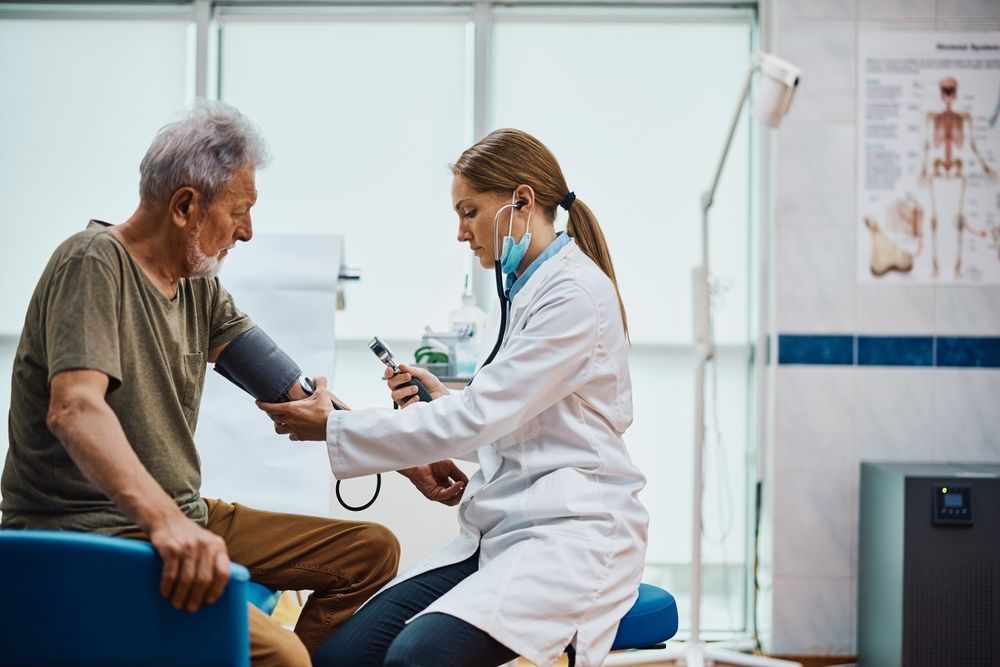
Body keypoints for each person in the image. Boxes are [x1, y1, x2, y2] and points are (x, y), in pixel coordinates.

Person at [0, 102, 402, 666]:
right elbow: (75, 410)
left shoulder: (197, 288)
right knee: (285, 656)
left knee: (370, 552)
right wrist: (167, 525)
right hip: (90, 534)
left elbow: (296, 390)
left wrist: (409, 457)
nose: (248, 231)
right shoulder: (91, 263)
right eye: (240, 211)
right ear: (186, 205)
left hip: (184, 514)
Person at [258, 128, 649, 667]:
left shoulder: (573, 295)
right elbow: (517, 426)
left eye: (469, 211)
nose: (461, 233)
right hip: (499, 532)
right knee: (341, 658)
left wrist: (333, 426)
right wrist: (441, 399)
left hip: (570, 534)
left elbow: (482, 417)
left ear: (522, 201)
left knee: (418, 656)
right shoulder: (519, 295)